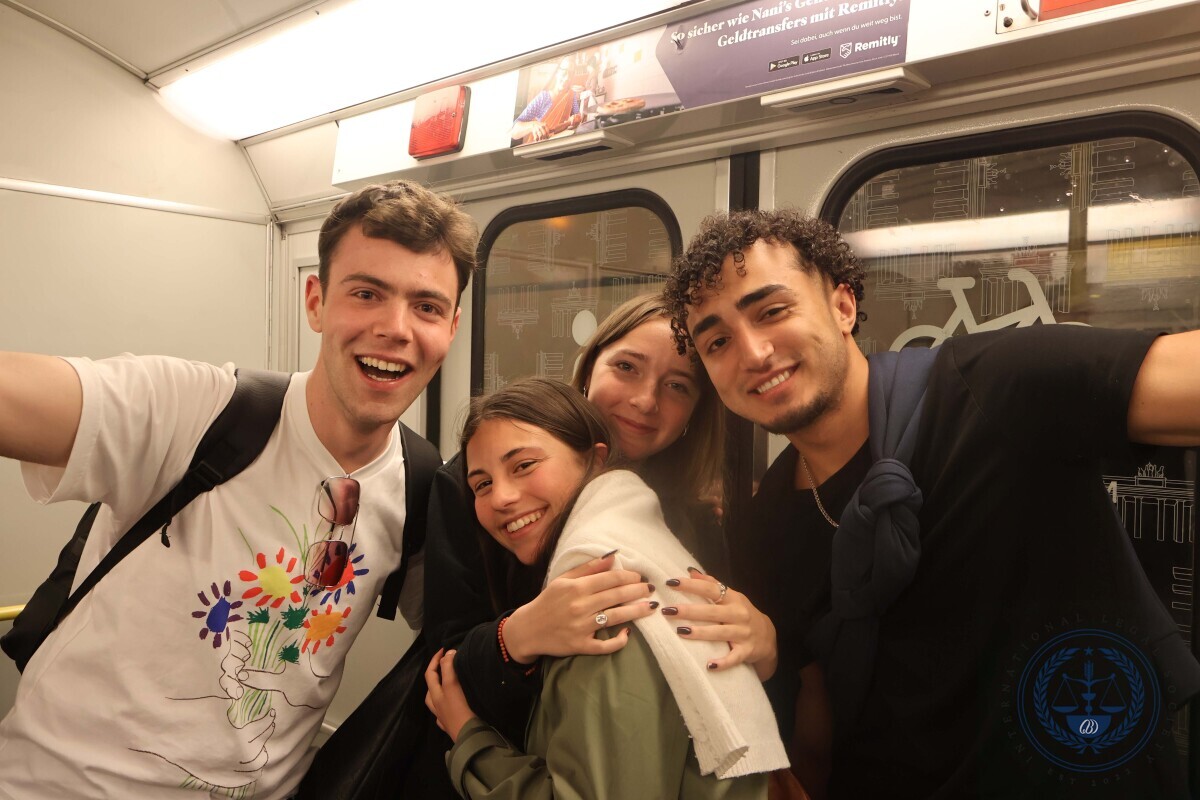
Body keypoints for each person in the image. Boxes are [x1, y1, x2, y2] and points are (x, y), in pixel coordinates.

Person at [662, 208, 1200, 799]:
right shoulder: (764, 525)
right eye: (718, 342)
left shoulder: (991, 386)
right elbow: (821, 724)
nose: (754, 353)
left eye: (772, 311)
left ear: (842, 306)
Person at [0, 179, 477, 798]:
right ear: (316, 302)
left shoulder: (420, 485)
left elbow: (468, 634)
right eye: (366, 294)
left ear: (452, 326)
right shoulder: (200, 411)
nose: (396, 328)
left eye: (427, 307)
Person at [423, 293, 779, 755]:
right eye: (627, 367)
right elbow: (441, 664)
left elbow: (711, 662)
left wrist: (762, 645)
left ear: (695, 412)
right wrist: (519, 634)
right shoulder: (480, 488)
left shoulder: (696, 518)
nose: (645, 401)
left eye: (677, 386)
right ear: (589, 368)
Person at [509, 58, 583, 144]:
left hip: (563, 144)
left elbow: (577, 116)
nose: (567, 78)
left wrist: (576, 118)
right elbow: (514, 131)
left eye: (571, 73)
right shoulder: (543, 97)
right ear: (557, 72)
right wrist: (532, 125)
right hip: (543, 146)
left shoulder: (571, 95)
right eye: (564, 71)